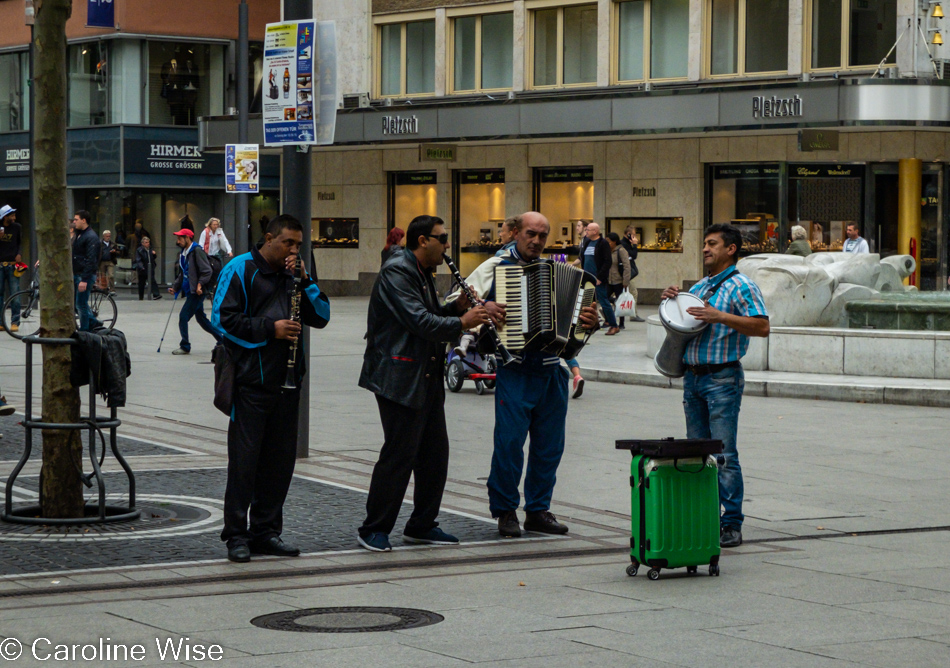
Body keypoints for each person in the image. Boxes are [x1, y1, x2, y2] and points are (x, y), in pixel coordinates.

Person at [461, 211, 598, 538]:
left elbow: (579, 326)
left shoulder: (560, 270)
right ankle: (505, 510)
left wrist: (590, 322)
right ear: (515, 233)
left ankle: (538, 510)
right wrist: (486, 310)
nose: (536, 241)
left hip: (552, 370)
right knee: (509, 444)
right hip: (515, 369)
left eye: (542, 236)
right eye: (530, 234)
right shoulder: (495, 267)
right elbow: (459, 304)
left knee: (550, 447)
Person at [357, 215, 490, 552]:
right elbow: (418, 321)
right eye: (442, 238)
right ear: (422, 241)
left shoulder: (422, 271)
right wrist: (462, 320)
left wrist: (455, 306)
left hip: (424, 372)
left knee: (434, 454)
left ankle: (422, 524)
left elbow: (429, 312)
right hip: (398, 374)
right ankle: (373, 528)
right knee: (400, 453)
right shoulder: (398, 270)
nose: (447, 245)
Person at [211, 214, 331, 563]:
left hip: (288, 384)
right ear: (268, 238)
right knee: (245, 463)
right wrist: (270, 329)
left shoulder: (296, 273)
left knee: (279, 464)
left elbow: (321, 316)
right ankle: (236, 534)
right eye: (288, 243)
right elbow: (222, 319)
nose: (294, 249)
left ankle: (266, 531)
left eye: (298, 244)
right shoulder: (240, 268)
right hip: (251, 383)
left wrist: (306, 280)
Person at [660, 223, 770, 549]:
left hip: (723, 378)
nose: (706, 249)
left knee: (723, 454)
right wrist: (673, 300)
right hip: (693, 378)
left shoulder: (741, 286)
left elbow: (762, 326)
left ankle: (731, 523)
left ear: (731, 249)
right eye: (705, 244)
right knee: (698, 453)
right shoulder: (704, 284)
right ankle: (706, 516)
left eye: (712, 244)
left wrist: (720, 316)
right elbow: (688, 320)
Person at [168, 228, 222, 355]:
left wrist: (200, 284)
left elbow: (207, 271)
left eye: (180, 238)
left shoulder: (197, 251)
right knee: (202, 320)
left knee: (183, 317)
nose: (178, 241)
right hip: (191, 290)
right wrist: (176, 287)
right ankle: (222, 340)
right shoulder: (184, 252)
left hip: (197, 292)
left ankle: (185, 346)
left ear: (188, 238)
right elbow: (183, 272)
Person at [583, 223, 620, 336]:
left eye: (588, 230)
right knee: (587, 301)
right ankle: (588, 324)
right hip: (587, 277)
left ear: (595, 231)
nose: (586, 232)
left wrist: (600, 277)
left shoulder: (603, 243)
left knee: (603, 301)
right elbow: (584, 258)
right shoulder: (588, 242)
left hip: (597, 278)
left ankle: (614, 325)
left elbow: (607, 261)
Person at [72, 210, 102, 332]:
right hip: (78, 273)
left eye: (76, 219)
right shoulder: (80, 234)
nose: (74, 222)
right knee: (77, 303)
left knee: (81, 304)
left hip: (84, 275)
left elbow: (91, 260)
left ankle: (85, 331)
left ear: (84, 220)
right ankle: (94, 322)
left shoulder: (91, 237)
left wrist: (84, 279)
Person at [0, 205, 22, 332]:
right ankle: (1, 322)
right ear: (5, 217)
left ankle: (15, 322)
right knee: (0, 295)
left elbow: (19, 242)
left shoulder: (17, 227)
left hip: (13, 264)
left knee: (15, 293)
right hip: (0, 264)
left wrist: (19, 254)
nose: (14, 217)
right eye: (11, 215)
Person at [606, 232, 632, 329]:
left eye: (609, 241)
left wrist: (626, 281)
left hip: (619, 280)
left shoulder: (621, 251)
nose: (607, 243)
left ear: (614, 241)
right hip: (608, 280)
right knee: (604, 298)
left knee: (621, 302)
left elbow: (627, 266)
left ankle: (621, 323)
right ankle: (607, 320)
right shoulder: (608, 251)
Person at [620, 226, 645, 322]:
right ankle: (633, 315)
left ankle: (633, 314)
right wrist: (635, 245)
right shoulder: (624, 244)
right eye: (633, 235)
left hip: (626, 273)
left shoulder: (625, 243)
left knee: (625, 293)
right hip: (625, 274)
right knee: (633, 293)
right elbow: (633, 255)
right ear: (628, 234)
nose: (634, 237)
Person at [134, 236, 162, 300]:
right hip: (143, 268)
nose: (148, 244)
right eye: (146, 242)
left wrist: (154, 254)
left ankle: (156, 294)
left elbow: (152, 258)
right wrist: (141, 267)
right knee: (141, 283)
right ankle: (141, 296)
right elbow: (138, 260)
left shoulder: (150, 249)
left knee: (152, 280)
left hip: (150, 268)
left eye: (148, 242)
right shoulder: (140, 250)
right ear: (143, 243)